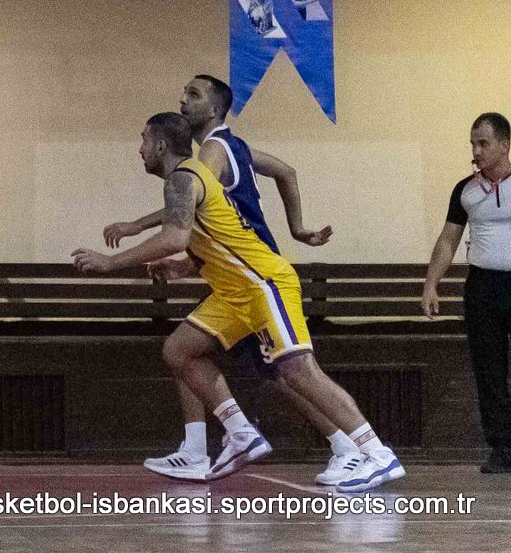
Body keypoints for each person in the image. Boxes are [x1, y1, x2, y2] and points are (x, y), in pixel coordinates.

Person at [73, 113, 404, 492]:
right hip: (233, 293)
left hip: (263, 284)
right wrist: (184, 267)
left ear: (161, 146)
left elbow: (175, 237)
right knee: (179, 350)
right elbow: (216, 238)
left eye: (144, 139)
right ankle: (240, 433)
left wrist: (110, 262)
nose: (140, 148)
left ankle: (376, 453)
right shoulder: (189, 180)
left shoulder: (184, 178)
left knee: (297, 370)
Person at [103, 76, 353, 484]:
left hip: (251, 273)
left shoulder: (214, 149)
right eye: (183, 93)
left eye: (194, 95)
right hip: (234, 265)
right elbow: (286, 172)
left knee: (283, 372)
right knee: (185, 349)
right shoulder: (236, 146)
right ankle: (197, 447)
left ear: (216, 109)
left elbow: (187, 200)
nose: (183, 101)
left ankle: (347, 445)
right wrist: (296, 228)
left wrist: (134, 226)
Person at [422, 112, 511, 473]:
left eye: (483, 143)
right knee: (489, 369)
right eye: (473, 143)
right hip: (483, 287)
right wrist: (431, 284)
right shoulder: (466, 190)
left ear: (504, 145)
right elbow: (448, 240)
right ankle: (503, 447)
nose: (475, 151)